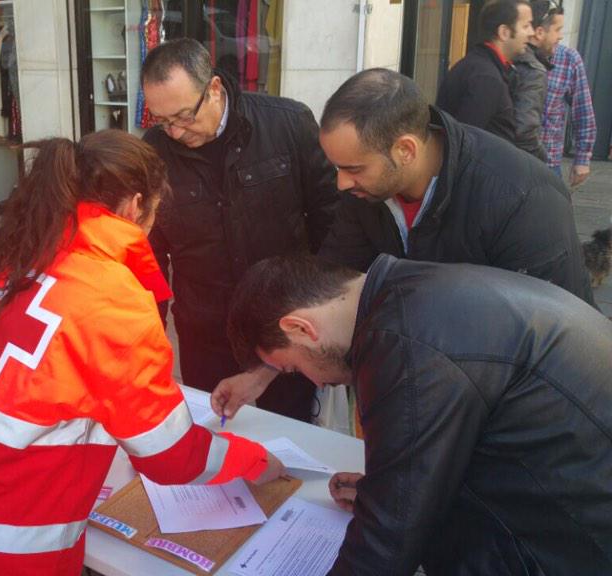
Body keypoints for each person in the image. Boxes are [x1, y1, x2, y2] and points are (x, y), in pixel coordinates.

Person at [0, 130, 282, 576]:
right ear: (134, 206)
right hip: (8, 546)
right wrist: (254, 460)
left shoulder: (14, 255)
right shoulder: (111, 296)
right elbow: (170, 455)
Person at [221, 253, 612, 574]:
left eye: (293, 369)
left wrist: (395, 503)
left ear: (301, 328)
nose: (317, 384)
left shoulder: (403, 347)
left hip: (579, 539)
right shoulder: (407, 295)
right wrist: (393, 490)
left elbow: (386, 544)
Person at [140, 38, 337, 423]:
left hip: (285, 327)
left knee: (290, 438)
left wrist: (321, 316)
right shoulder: (153, 153)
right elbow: (150, 256)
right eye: (162, 122)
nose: (175, 133)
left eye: (184, 116)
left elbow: (333, 224)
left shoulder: (288, 124)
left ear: (214, 88)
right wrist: (147, 340)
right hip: (205, 333)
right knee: (213, 436)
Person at [315, 68, 594, 306]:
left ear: (406, 150)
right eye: (337, 167)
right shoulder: (365, 191)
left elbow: (547, 330)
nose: (341, 183)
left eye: (353, 168)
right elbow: (335, 279)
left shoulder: (522, 198)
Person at [436, 0, 533, 149]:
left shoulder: (483, 67)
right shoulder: (486, 78)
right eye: (526, 26)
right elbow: (464, 143)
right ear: (504, 32)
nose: (531, 33)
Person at [511, 0, 562, 162]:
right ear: (539, 32)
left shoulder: (513, 57)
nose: (560, 36)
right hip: (519, 161)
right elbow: (524, 130)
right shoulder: (533, 70)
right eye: (558, 30)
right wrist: (542, 161)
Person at [542, 42, 597, 186]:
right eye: (557, 29)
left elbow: (583, 110)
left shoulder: (569, 58)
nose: (560, 36)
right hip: (511, 157)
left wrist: (583, 158)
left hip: (548, 160)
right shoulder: (516, 54)